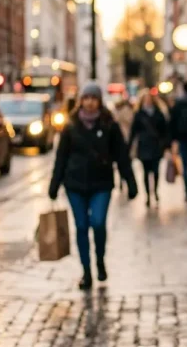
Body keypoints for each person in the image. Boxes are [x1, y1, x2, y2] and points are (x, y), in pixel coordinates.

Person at [48, 82, 138, 290]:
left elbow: (122, 156)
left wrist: (131, 183)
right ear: (81, 101)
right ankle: (86, 271)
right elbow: (60, 158)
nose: (89, 103)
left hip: (101, 184)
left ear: (99, 101)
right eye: (86, 98)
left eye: (93, 98)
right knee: (81, 226)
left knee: (97, 223)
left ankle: (99, 259)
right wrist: (54, 186)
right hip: (75, 184)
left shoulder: (109, 125)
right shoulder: (70, 126)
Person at [129, 93, 170, 206]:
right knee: (146, 172)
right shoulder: (139, 114)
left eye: (149, 99)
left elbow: (165, 131)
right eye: (145, 99)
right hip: (144, 146)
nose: (147, 101)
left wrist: (167, 145)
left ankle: (155, 192)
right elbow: (133, 131)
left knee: (156, 171)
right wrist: (129, 146)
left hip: (156, 146)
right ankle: (148, 195)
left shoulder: (159, 114)